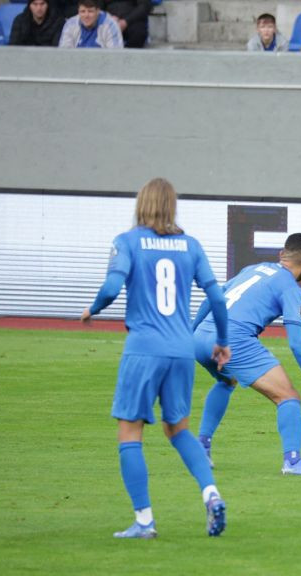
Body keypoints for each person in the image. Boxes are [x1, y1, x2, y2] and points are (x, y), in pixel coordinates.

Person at [80, 177, 231, 539]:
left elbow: (112, 288)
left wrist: (93, 309)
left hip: (144, 349)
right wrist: (222, 341)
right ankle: (211, 494)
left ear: (141, 205)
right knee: (178, 429)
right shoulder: (190, 245)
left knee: (130, 431)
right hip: (181, 350)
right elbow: (218, 297)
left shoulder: (127, 241)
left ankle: (145, 521)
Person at [191, 233, 301, 477]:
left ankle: (201, 447)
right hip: (233, 341)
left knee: (226, 381)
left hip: (201, 337)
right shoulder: (291, 288)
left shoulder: (256, 268)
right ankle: (293, 462)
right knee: (288, 397)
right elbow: (296, 343)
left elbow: (213, 298)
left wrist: (191, 333)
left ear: (282, 254)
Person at [58, 0, 123, 48]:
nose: (86, 15)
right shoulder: (70, 24)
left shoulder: (110, 25)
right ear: (78, 11)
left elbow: (115, 57)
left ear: (98, 11)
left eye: (90, 11)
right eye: (83, 11)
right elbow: (64, 54)